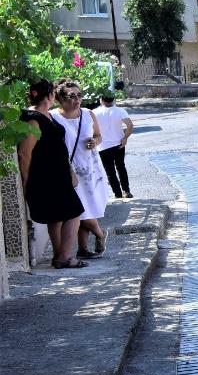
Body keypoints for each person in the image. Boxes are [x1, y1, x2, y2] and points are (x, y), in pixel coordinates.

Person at [16, 79, 86, 269]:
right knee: (74, 212)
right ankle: (64, 256)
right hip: (46, 177)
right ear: (49, 96)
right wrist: (26, 180)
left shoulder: (45, 115)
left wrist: (69, 171)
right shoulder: (33, 119)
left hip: (59, 175)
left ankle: (59, 256)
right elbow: (24, 153)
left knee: (56, 217)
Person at [53, 80, 109, 259]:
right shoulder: (53, 117)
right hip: (68, 170)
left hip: (90, 169)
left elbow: (99, 136)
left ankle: (83, 249)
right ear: (60, 99)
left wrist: (95, 142)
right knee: (79, 209)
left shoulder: (88, 114)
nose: (77, 100)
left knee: (87, 207)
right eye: (71, 96)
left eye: (79, 95)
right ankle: (100, 233)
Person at [95, 92, 133, 198]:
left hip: (102, 146)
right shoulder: (120, 111)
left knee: (110, 170)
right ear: (113, 100)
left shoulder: (94, 112)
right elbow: (130, 125)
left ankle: (117, 194)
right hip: (119, 143)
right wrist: (125, 138)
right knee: (121, 167)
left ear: (101, 100)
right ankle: (126, 191)